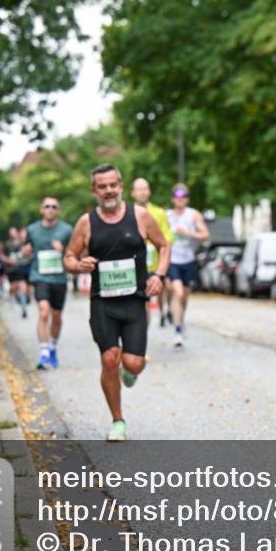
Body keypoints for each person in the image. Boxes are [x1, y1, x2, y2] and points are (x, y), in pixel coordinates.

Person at [63, 164, 169, 442]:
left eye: (113, 185)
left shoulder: (140, 216)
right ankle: (118, 421)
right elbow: (69, 257)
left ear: (121, 186)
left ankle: (130, 372)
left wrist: (159, 275)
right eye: (102, 186)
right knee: (110, 359)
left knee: (132, 364)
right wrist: (78, 265)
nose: (108, 190)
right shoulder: (86, 222)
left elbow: (164, 246)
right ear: (94, 190)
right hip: (103, 304)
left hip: (134, 302)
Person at [22, 197, 74, 370]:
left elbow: (75, 253)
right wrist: (25, 252)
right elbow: (26, 252)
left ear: (58, 211)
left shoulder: (67, 230)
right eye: (47, 206)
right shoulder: (32, 230)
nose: (50, 209)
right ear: (41, 209)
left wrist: (64, 250)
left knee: (57, 316)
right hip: (40, 276)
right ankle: (43, 351)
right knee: (44, 312)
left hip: (59, 278)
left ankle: (52, 346)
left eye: (54, 207)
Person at [164, 183, 209, 349]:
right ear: (172, 200)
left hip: (188, 261)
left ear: (187, 199)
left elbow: (205, 235)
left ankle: (179, 319)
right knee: (178, 291)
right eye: (177, 198)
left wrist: (189, 233)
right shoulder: (166, 215)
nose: (180, 201)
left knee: (185, 297)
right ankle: (177, 330)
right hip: (173, 260)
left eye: (183, 198)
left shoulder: (193, 215)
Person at [130, 178, 174, 329]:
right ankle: (140, 337)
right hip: (135, 267)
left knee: (166, 288)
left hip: (155, 265)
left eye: (145, 188)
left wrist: (151, 240)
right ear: (132, 193)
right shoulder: (127, 213)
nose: (142, 192)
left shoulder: (159, 213)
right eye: (139, 189)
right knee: (143, 305)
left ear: (149, 191)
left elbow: (167, 239)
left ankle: (164, 312)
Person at [1, 227, 32, 318]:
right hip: (16, 270)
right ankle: (23, 309)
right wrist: (10, 260)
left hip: (29, 269)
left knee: (27, 290)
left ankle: (22, 299)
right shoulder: (11, 245)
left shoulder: (31, 243)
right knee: (18, 287)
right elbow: (5, 255)